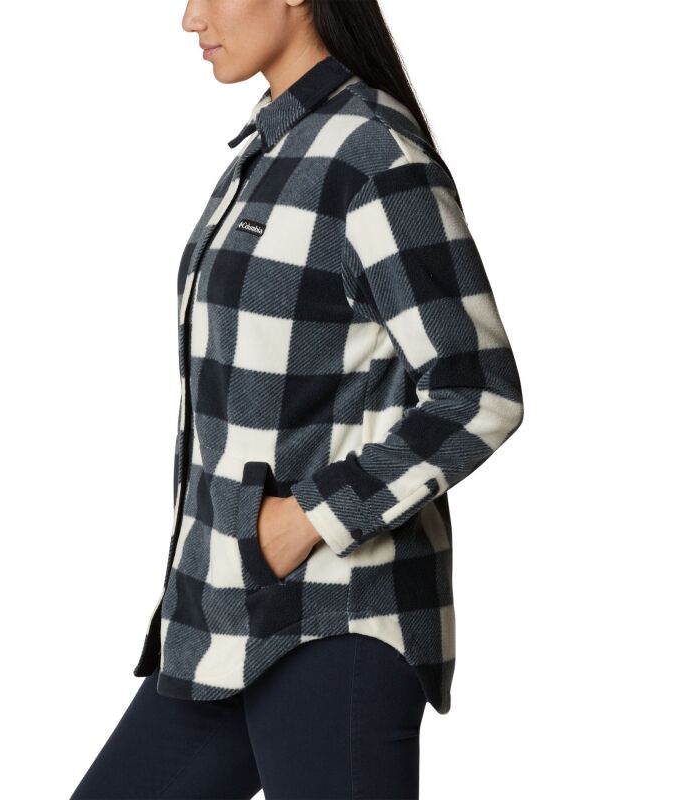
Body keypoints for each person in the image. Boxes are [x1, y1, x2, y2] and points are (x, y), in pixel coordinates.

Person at [70, 1, 524, 798]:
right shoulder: (274, 147)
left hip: (337, 621)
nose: (190, 18)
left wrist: (308, 518)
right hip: (223, 619)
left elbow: (477, 389)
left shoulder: (373, 155)